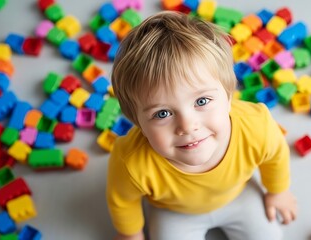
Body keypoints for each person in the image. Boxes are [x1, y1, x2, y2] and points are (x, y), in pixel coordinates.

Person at [107, 11, 297, 240]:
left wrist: (278, 191)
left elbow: (276, 155)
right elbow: (122, 200)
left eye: (202, 101)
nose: (187, 126)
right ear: (138, 123)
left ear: (228, 97)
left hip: (238, 195)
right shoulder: (132, 161)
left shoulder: (255, 126)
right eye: (163, 113)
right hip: (174, 212)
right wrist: (131, 234)